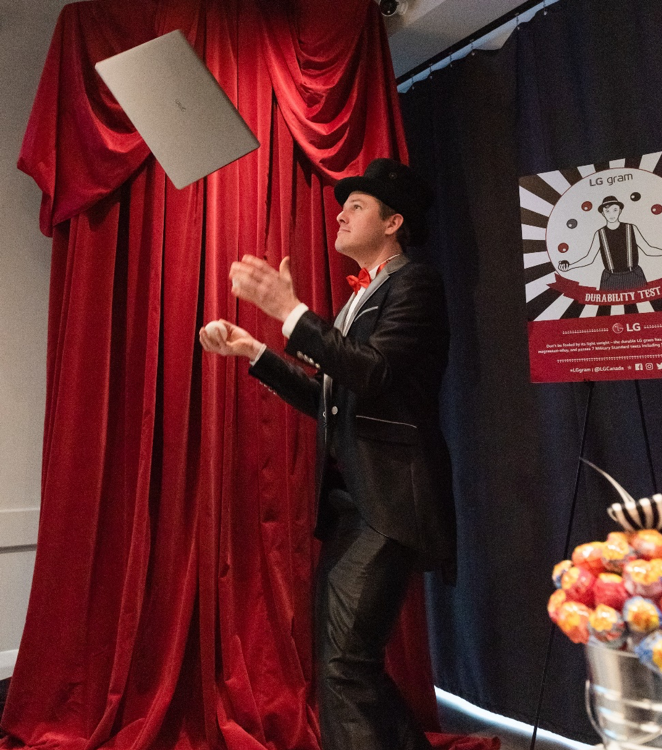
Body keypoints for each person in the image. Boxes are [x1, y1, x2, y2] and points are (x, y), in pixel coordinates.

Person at [199, 158, 456, 750]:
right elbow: (330, 397)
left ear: (394, 222)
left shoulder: (415, 281)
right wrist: (255, 352)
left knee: (344, 667)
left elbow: (375, 371)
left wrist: (289, 311)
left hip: (390, 502)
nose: (340, 214)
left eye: (357, 206)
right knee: (348, 664)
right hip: (354, 503)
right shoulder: (361, 298)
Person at [558, 195, 662, 290]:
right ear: (603, 213)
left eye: (615, 210)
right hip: (610, 279)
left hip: (634, 275)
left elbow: (648, 250)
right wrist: (569, 266)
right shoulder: (600, 233)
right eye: (607, 211)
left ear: (620, 210)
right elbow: (589, 258)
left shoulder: (631, 228)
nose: (611, 214)